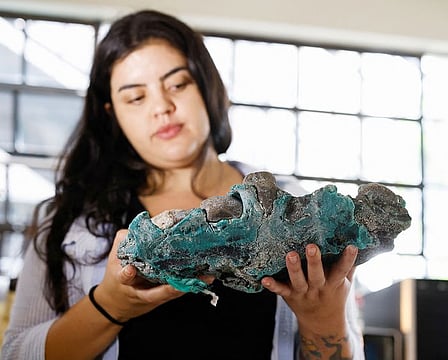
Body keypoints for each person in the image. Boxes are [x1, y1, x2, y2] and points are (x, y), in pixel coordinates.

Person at [1, 9, 364, 360]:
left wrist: (323, 319)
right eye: (136, 97)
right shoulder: (67, 222)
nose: (162, 106)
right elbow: (16, 354)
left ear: (206, 86)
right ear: (113, 113)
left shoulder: (298, 210)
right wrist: (109, 306)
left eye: (177, 83)